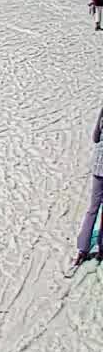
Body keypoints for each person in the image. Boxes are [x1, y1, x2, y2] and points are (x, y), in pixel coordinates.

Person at [77, 106, 103, 265]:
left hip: (98, 166)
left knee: (92, 209)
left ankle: (82, 249)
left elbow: (95, 137)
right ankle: (102, 248)